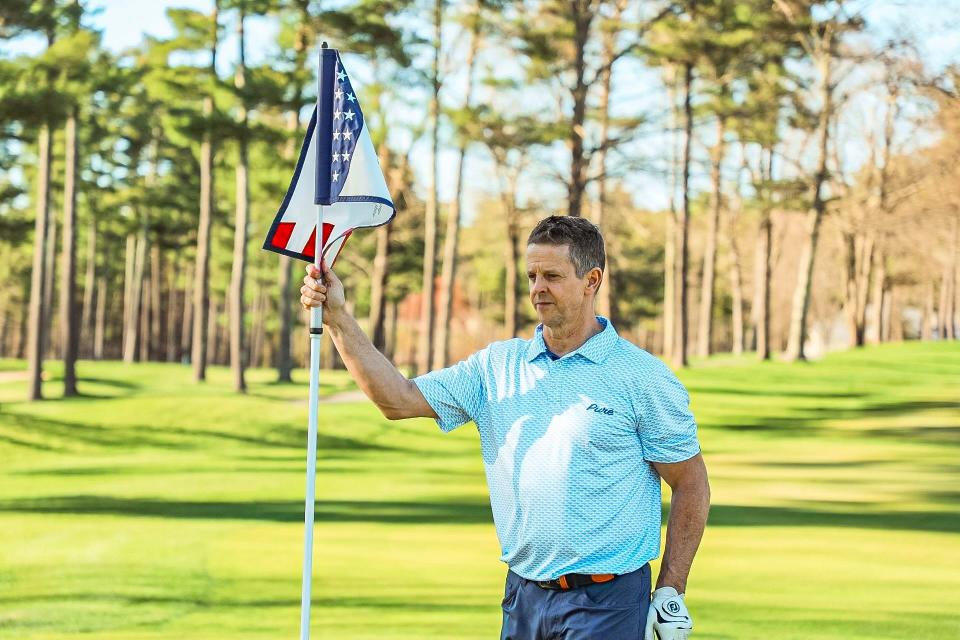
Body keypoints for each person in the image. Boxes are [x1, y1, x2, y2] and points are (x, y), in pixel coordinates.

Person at [300, 215, 710, 640]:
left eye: (551, 276)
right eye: (532, 275)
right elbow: (397, 399)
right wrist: (338, 319)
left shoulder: (641, 377)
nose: (537, 289)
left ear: (592, 280)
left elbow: (691, 482)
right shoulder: (496, 367)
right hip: (523, 598)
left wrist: (671, 588)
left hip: (607, 603)